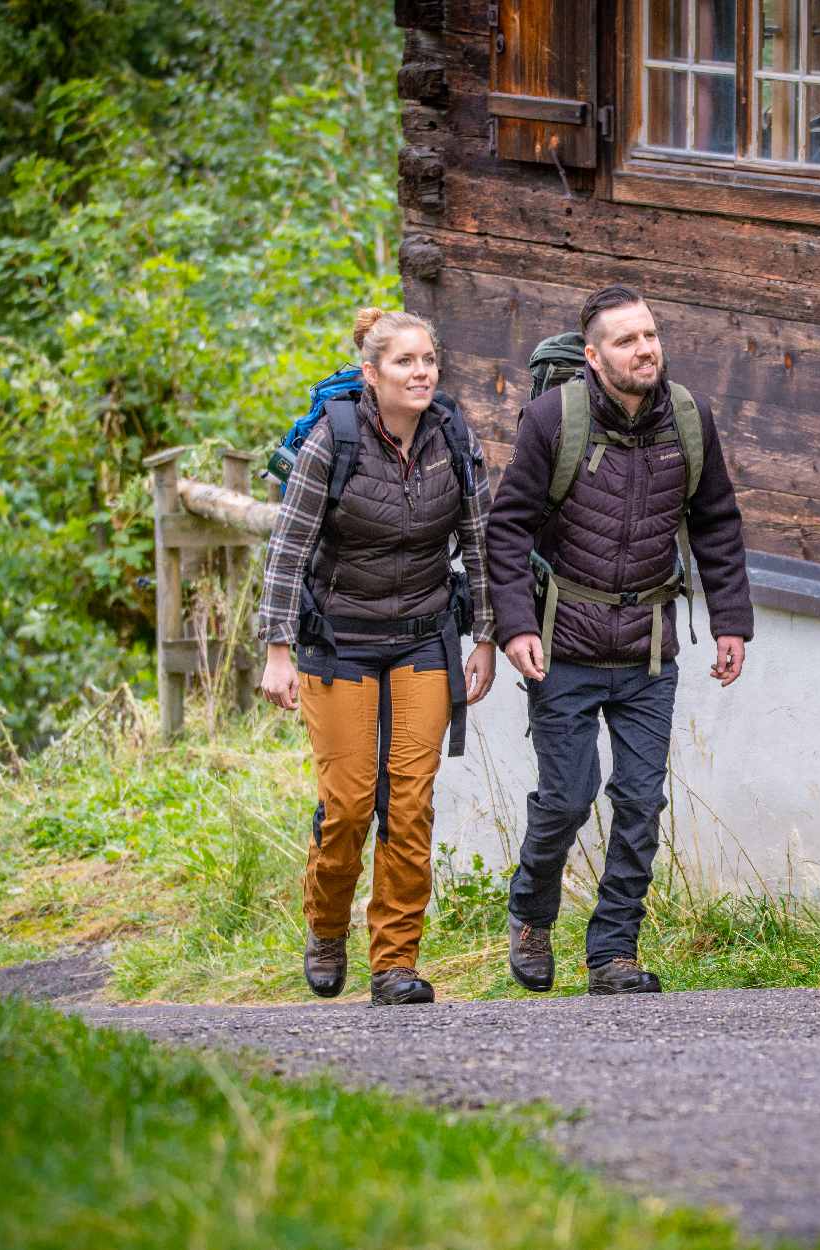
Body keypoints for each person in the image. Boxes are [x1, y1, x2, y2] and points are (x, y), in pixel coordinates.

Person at [486, 285, 753, 996]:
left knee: (640, 801)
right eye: (629, 341)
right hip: (563, 642)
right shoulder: (552, 420)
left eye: (651, 335)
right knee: (568, 798)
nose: (647, 349)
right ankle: (532, 913)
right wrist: (513, 626)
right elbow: (507, 527)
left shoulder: (689, 420)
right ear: (595, 358)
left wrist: (731, 621)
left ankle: (612, 952)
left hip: (648, 647)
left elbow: (717, 521)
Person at [258, 308, 496, 1006]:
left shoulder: (453, 438)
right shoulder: (333, 441)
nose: (421, 372)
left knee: (409, 803)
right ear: (372, 373)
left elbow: (480, 544)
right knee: (349, 805)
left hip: (423, 638)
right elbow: (288, 549)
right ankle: (326, 926)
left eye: (428, 360)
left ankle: (395, 962)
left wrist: (483, 635)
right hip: (338, 641)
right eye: (405, 362)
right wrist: (277, 651)